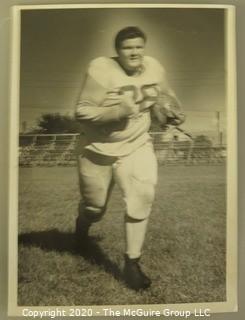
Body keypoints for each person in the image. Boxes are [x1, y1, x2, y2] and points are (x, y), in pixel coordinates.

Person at [75, 26, 185, 291]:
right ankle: (81, 228)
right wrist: (120, 111)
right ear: (117, 51)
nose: (134, 52)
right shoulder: (101, 70)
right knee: (95, 207)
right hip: (97, 148)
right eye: (127, 47)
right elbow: (82, 111)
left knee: (142, 195)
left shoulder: (154, 68)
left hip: (137, 144)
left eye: (138, 46)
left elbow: (166, 98)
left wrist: (172, 113)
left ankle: (132, 264)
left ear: (144, 48)